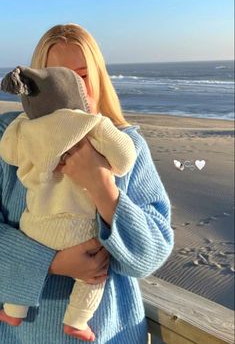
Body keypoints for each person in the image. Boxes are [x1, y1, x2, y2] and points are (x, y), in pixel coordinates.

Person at [0, 23, 174, 344]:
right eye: (58, 77)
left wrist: (102, 185)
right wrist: (49, 263)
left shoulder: (127, 145)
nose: (72, 90)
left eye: (81, 76)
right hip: (22, 336)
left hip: (110, 334)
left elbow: (151, 255)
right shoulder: (10, 138)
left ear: (97, 78)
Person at [0, 65, 136, 342]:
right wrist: (103, 176)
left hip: (34, 226)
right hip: (79, 228)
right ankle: (77, 321)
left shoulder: (22, 129)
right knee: (94, 274)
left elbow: (9, 154)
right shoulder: (91, 123)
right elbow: (124, 161)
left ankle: (14, 310)